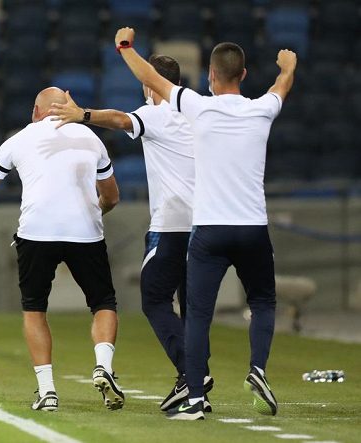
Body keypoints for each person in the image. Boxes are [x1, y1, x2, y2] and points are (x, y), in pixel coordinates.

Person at [113, 27, 296, 420]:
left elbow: (150, 78)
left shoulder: (196, 105)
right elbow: (282, 86)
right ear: (244, 75)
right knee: (263, 302)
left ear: (211, 76)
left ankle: (195, 397)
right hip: (253, 228)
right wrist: (288, 65)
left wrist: (125, 46)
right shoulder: (262, 108)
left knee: (197, 313)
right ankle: (258, 369)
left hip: (210, 230)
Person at [49, 55, 214, 412]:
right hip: (206, 223)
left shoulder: (157, 112)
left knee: (154, 299)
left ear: (148, 82)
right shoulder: (200, 110)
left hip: (171, 225)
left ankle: (192, 372)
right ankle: (194, 386)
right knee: (192, 307)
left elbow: (123, 119)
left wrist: (83, 115)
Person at [0, 87, 122, 412]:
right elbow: (111, 196)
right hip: (85, 233)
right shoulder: (90, 138)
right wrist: (94, 212)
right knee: (103, 302)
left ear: (35, 111)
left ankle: (48, 391)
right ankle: (104, 366)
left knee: (35, 309)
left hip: (37, 232)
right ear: (68, 107)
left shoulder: (19, 138)